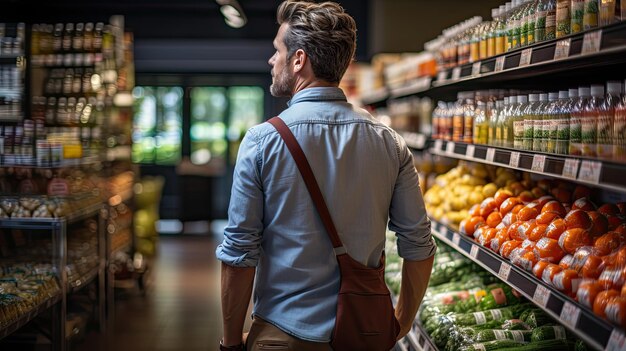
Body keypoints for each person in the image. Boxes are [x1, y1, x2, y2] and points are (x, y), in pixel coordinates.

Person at [215, 1, 436, 350]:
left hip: (283, 335)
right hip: (364, 334)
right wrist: (399, 323)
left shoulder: (262, 142)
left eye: (277, 51)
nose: (272, 61)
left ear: (299, 59)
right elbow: (419, 245)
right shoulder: (389, 143)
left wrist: (230, 342)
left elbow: (240, 255)